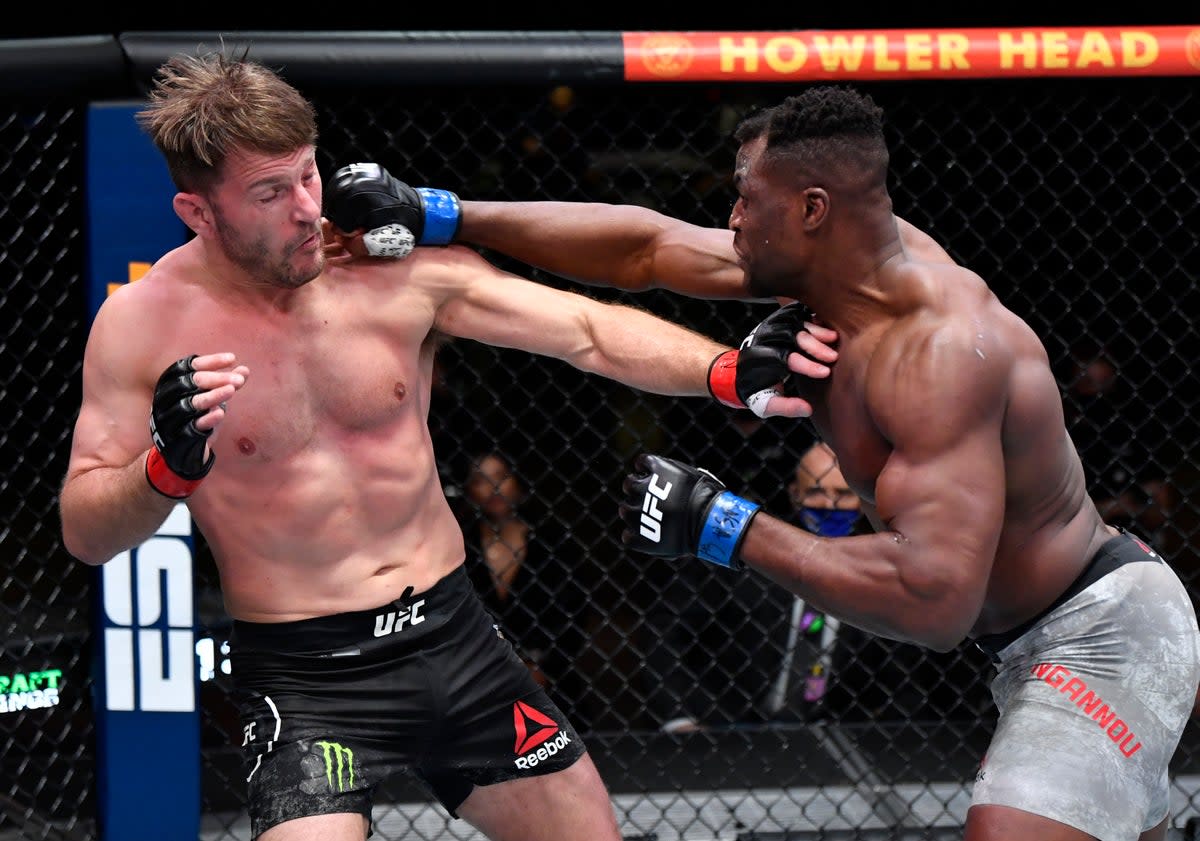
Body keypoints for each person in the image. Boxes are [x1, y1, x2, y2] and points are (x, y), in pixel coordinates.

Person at [353, 84, 1200, 840]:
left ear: (812, 208)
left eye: (742, 201)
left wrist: (728, 526)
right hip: (1024, 638)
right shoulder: (839, 269)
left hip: (1101, 633)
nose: (728, 221)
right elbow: (644, 249)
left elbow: (937, 598)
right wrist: (444, 213)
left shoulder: (940, 353)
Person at [56, 52, 812, 841]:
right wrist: (163, 471)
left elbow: (583, 330)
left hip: (453, 636)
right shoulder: (141, 325)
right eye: (270, 193)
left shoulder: (385, 266)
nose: (306, 208)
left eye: (309, 175)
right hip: (307, 674)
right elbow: (87, 530)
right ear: (198, 212)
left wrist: (722, 371)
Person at [458, 449, 585, 696]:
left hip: (552, 680)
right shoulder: (459, 547)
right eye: (481, 479)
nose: (494, 487)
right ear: (469, 491)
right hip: (476, 677)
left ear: (518, 480)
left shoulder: (551, 542)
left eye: (501, 476)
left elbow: (574, 611)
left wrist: (543, 666)